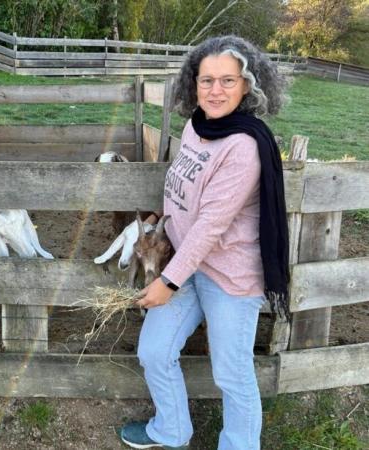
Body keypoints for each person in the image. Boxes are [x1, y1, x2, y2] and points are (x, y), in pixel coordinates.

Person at [120, 35, 289, 450]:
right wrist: (162, 215)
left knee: (231, 374)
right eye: (206, 80)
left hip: (230, 275)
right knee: (155, 352)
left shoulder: (244, 146)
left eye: (228, 81)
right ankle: (171, 430)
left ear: (247, 85)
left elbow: (211, 225)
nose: (216, 91)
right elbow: (182, 182)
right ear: (192, 84)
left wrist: (167, 282)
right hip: (188, 263)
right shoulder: (197, 125)